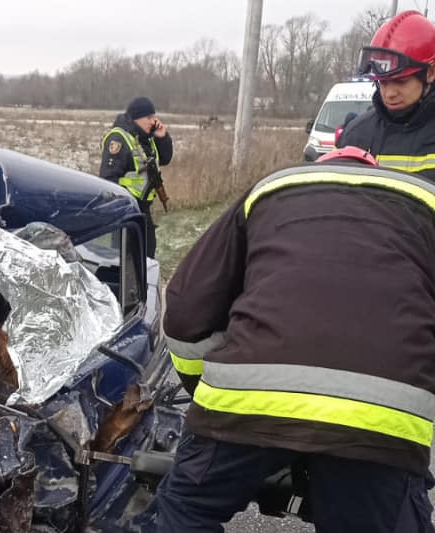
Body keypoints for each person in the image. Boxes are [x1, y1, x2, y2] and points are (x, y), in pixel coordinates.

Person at [158, 146, 435, 532]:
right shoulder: (426, 202)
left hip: (250, 394)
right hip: (380, 414)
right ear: (374, 170)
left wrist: (203, 392)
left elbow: (187, 310)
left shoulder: (273, 188)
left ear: (319, 167)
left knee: (185, 508)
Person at [337, 10, 435, 181]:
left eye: (401, 82)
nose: (389, 94)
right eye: (383, 82)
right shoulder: (354, 134)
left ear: (431, 73)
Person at [99, 97, 173, 258]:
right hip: (125, 212)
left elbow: (166, 158)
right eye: (149, 117)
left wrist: (162, 137)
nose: (153, 121)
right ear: (136, 118)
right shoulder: (119, 139)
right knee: (127, 261)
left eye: (154, 117)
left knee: (147, 257)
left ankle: (145, 284)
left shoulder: (146, 139)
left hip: (143, 210)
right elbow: (108, 179)